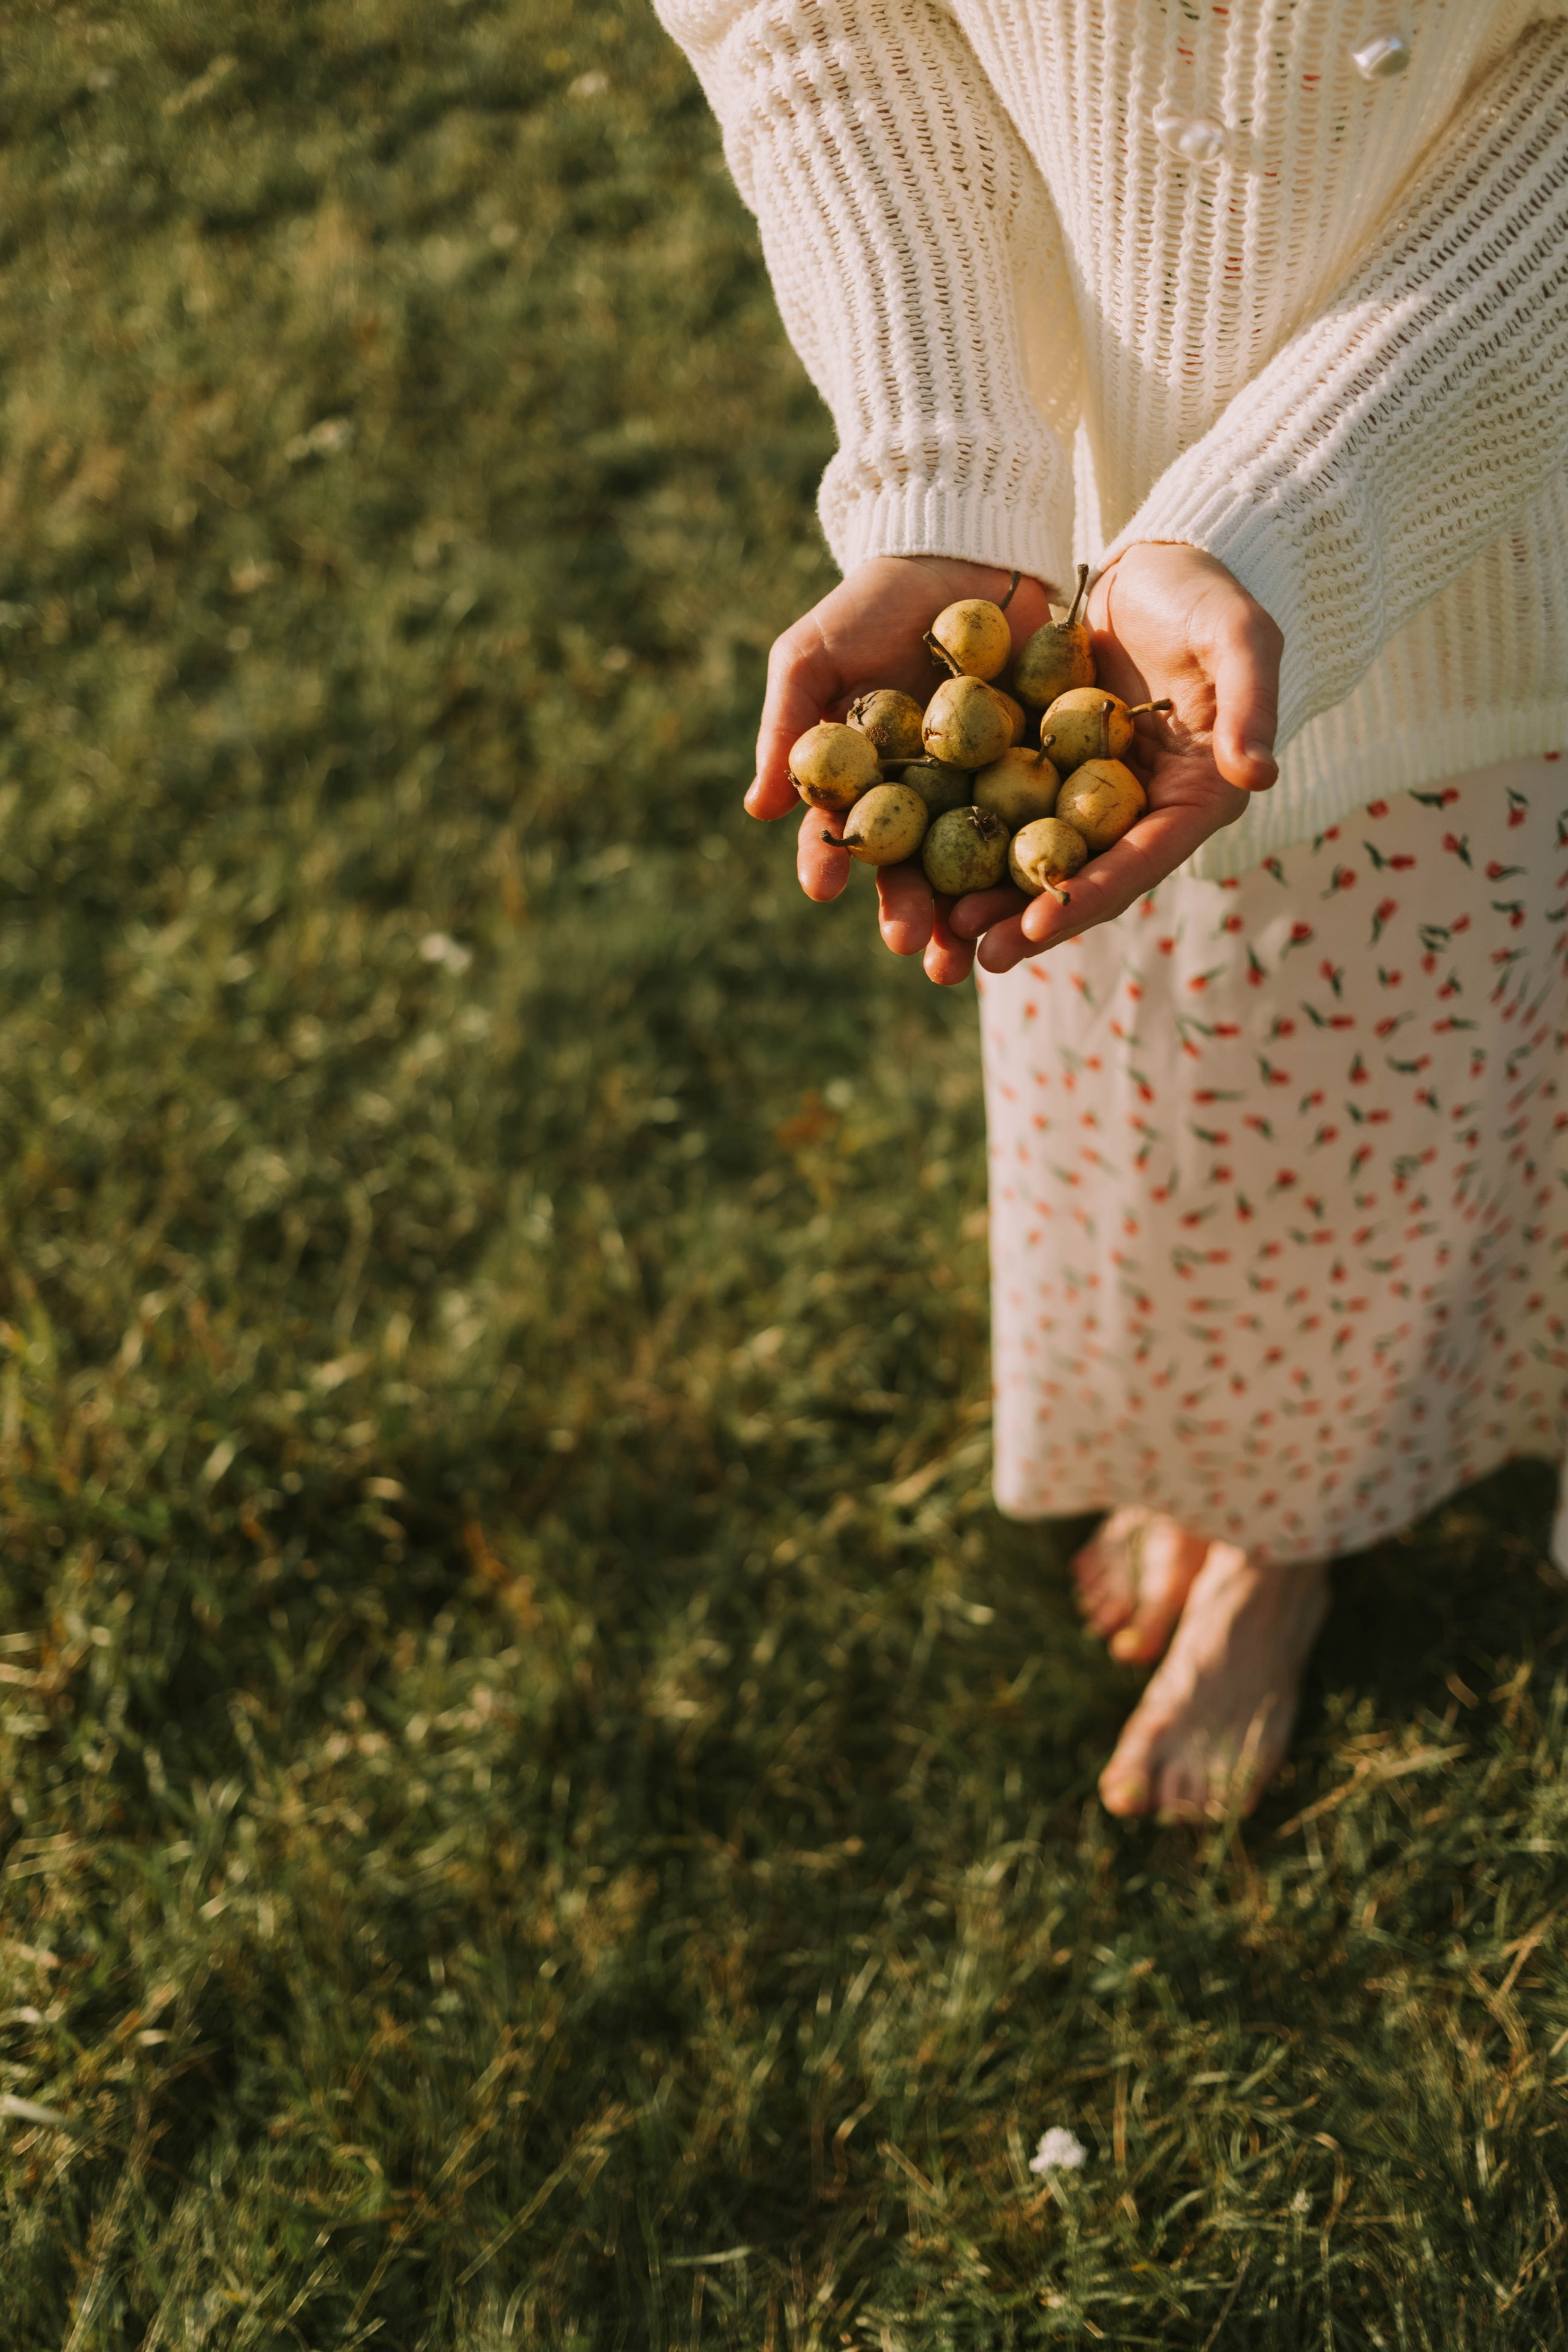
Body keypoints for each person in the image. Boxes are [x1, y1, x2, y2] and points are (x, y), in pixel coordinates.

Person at [654, 0, 1568, 1819]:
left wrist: (1289, 511)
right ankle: (1256, 1493)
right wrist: (945, 467)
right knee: (1195, 1117)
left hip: (1505, 570)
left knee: (1481, 1099)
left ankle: (1325, 1505)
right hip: (1104, 570)